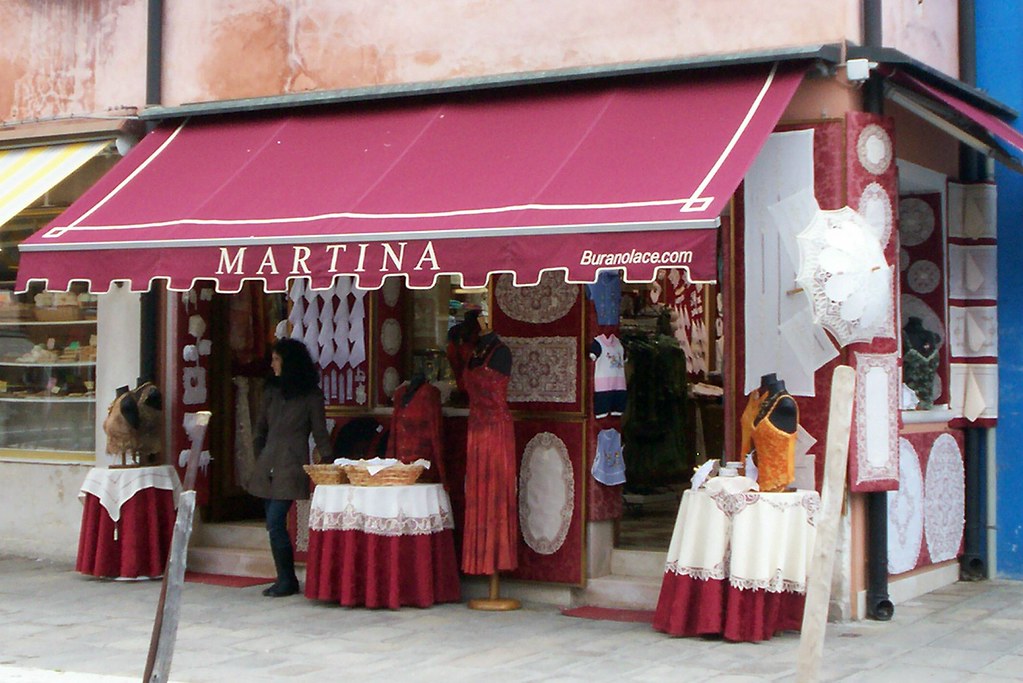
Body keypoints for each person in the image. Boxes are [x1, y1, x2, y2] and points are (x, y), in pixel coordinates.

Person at [247, 338, 332, 597]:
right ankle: (284, 577)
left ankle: (287, 578)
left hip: (292, 463)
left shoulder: (311, 395)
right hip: (268, 463)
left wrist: (329, 461)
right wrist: (259, 456)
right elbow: (260, 428)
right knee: (272, 524)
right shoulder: (271, 391)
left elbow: (319, 432)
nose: (272, 365)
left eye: (276, 359)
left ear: (288, 362)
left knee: (275, 521)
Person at [461, 324, 517, 578]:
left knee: (495, 491)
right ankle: (480, 561)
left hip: (495, 429)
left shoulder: (501, 352)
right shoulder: (477, 351)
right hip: (476, 428)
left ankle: (498, 558)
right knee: (477, 492)